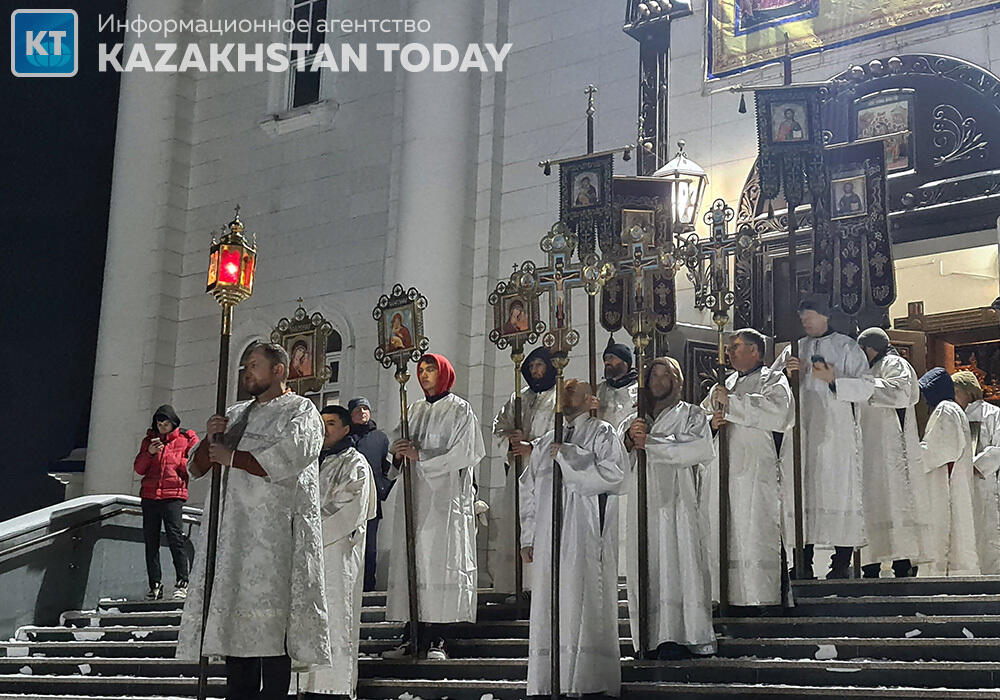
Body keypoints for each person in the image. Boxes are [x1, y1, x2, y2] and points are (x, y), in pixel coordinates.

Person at [176, 342, 331, 700]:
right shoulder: (236, 413)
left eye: (255, 365)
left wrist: (235, 457)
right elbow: (197, 468)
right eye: (245, 366)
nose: (247, 372)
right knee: (233, 624)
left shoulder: (301, 410)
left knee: (272, 629)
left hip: (274, 538)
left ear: (279, 370)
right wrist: (211, 437)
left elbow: (292, 454)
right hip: (232, 537)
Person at [516, 378, 626, 697]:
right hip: (548, 533)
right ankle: (550, 678)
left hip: (582, 526)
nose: (566, 392)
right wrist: (528, 536)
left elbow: (614, 475)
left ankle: (585, 679)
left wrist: (569, 455)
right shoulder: (546, 439)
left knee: (580, 593)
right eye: (564, 389)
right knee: (550, 599)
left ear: (590, 398)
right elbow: (530, 489)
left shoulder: (601, 432)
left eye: (573, 389)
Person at [383, 353, 485, 660]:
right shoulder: (411, 409)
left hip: (444, 501)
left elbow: (466, 452)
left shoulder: (460, 409)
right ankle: (411, 636)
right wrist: (399, 454)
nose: (424, 375)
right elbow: (396, 449)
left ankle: (438, 638)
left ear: (444, 374)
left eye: (431, 369)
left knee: (440, 563)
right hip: (414, 499)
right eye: (421, 370)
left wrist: (421, 457)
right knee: (413, 562)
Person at [772, 294, 874, 579]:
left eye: (810, 316)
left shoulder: (846, 346)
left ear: (825, 316)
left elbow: (866, 388)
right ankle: (801, 561)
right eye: (802, 317)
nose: (805, 321)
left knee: (838, 491)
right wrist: (785, 372)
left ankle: (840, 564)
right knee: (799, 492)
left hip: (835, 434)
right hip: (801, 431)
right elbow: (772, 383)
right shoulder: (795, 348)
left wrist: (819, 371)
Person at [625, 357, 716, 659]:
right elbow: (615, 460)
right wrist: (628, 441)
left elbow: (699, 448)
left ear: (677, 381)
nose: (659, 381)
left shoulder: (692, 414)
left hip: (679, 500)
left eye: (667, 376)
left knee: (681, 561)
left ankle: (684, 634)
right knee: (648, 561)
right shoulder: (635, 418)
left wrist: (649, 443)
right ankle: (650, 638)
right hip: (644, 501)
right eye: (654, 376)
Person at [700, 329, 794, 610]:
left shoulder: (773, 380)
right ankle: (725, 596)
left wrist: (733, 403)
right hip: (722, 468)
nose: (728, 352)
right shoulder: (724, 382)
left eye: (736, 347)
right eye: (729, 347)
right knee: (723, 527)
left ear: (755, 350)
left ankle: (763, 597)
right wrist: (711, 423)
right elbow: (704, 415)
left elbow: (780, 414)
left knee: (756, 527)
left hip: (755, 467)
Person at [295, 405, 376, 700]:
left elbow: (350, 506)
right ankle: (302, 684)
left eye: (331, 423)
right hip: (303, 553)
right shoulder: (308, 463)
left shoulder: (355, 462)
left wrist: (310, 529)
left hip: (335, 552)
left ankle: (333, 686)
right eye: (321, 423)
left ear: (345, 429)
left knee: (334, 615)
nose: (324, 428)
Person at [856, 328, 923, 578]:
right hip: (869, 451)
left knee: (894, 503)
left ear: (868, 349)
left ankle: (902, 565)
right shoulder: (868, 370)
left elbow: (901, 393)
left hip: (890, 451)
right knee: (872, 506)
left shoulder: (894, 363)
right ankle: (869, 565)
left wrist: (860, 386)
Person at [491, 346, 557, 596]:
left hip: (547, 470)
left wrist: (534, 446)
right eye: (531, 367)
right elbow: (498, 428)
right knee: (516, 523)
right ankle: (515, 586)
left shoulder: (559, 396)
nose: (535, 370)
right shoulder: (518, 398)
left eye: (539, 365)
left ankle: (541, 587)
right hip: (519, 469)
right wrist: (510, 440)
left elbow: (564, 433)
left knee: (542, 523)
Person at [917, 368, 979, 576]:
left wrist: (910, 452)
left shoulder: (946, 409)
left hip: (945, 486)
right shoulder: (949, 409)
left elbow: (942, 449)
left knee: (943, 537)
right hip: (948, 482)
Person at [132, 404, 198, 601]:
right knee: (150, 541)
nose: (162, 427)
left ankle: (182, 581)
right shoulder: (149, 441)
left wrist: (177, 461)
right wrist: (149, 453)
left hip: (173, 495)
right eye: (159, 423)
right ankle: (154, 585)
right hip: (150, 496)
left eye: (166, 423)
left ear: (173, 423)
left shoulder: (186, 438)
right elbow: (139, 469)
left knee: (175, 537)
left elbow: (196, 465)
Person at [953, 371, 1000, 574]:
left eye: (955, 392)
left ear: (966, 392)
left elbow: (998, 448)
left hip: (982, 482)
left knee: (985, 532)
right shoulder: (953, 413)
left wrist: (974, 466)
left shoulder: (993, 414)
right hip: (957, 482)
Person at [348, 396, 393, 592]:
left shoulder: (380, 438)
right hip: (345, 502)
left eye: (365, 408)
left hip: (371, 502)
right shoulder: (344, 437)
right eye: (358, 410)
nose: (362, 412)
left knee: (369, 548)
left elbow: (387, 469)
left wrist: (381, 489)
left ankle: (368, 586)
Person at [595, 338, 639, 432]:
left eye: (611, 357)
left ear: (625, 362)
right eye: (605, 359)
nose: (606, 362)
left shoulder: (640, 390)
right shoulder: (598, 391)